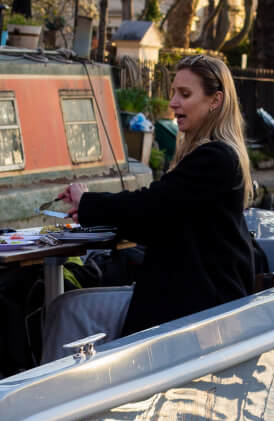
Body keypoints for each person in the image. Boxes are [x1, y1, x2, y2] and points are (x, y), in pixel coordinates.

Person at [60, 54, 257, 336]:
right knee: (72, 307)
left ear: (215, 100)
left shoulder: (215, 158)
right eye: (174, 93)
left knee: (67, 310)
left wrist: (87, 201)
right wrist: (92, 210)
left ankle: (56, 380)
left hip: (197, 308)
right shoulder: (216, 156)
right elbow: (160, 213)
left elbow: (151, 205)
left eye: (185, 94)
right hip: (193, 297)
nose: (173, 103)